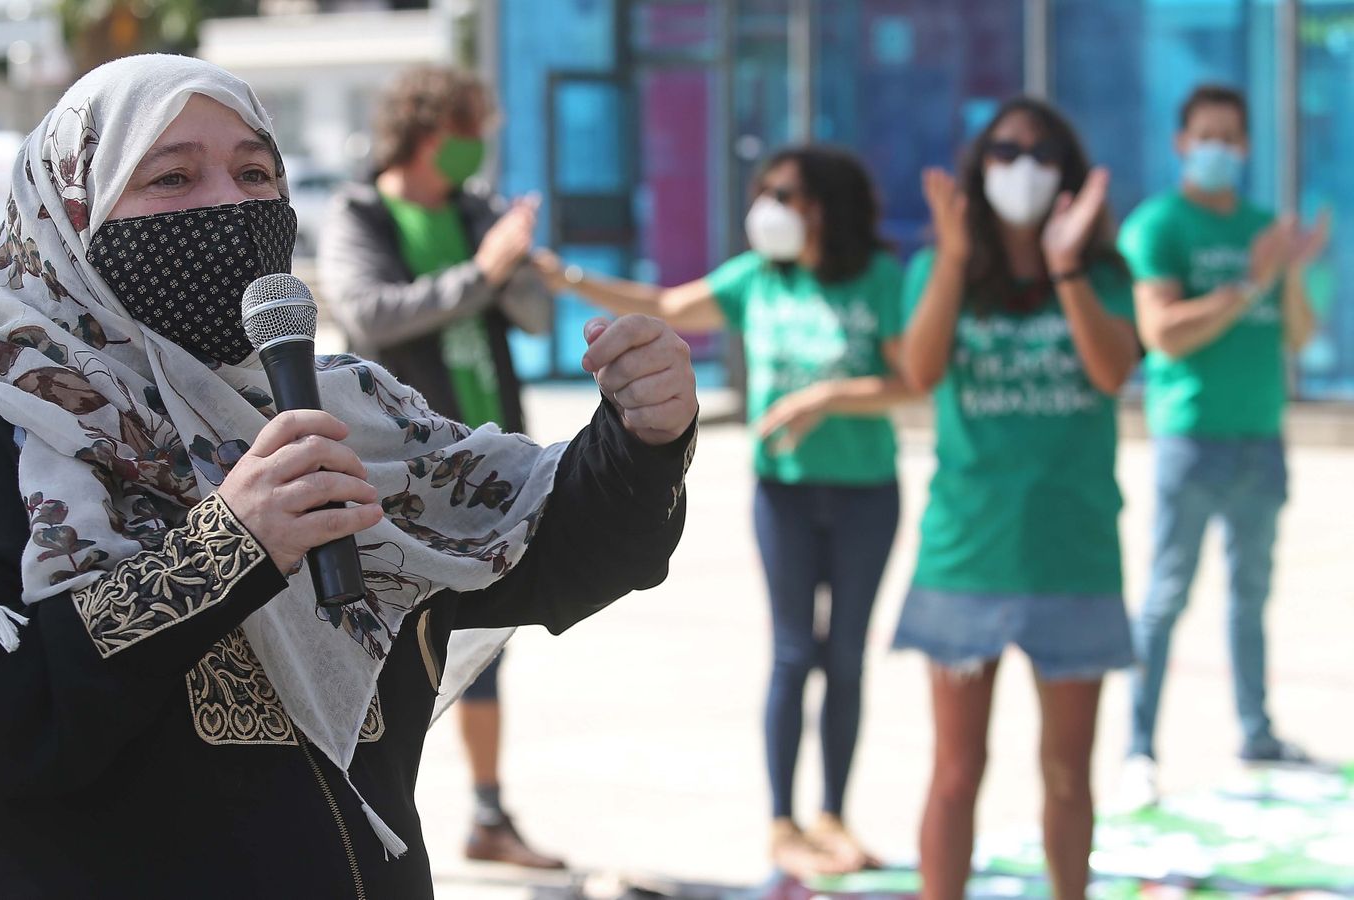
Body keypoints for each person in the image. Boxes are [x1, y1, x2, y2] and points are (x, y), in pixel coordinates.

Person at [0, 55, 698, 900]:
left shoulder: (341, 409)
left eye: (256, 173)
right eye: (171, 179)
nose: (229, 205)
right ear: (73, 211)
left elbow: (545, 554)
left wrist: (643, 437)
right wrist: (223, 550)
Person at [536, 145, 913, 876]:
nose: (769, 207)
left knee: (846, 658)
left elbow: (908, 381)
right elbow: (668, 307)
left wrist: (825, 397)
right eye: (764, 191)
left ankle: (834, 814)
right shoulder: (756, 279)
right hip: (785, 493)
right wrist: (570, 280)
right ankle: (783, 822)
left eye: (788, 194)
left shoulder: (878, 278)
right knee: (794, 652)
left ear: (826, 206)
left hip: (867, 491)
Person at [316, 64, 567, 870]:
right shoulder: (360, 211)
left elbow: (533, 314)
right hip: (398, 474)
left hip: (489, 465)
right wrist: (484, 273)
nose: (479, 147)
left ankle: (489, 813)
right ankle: (369, 823)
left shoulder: (477, 210)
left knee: (486, 639)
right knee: (391, 650)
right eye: (471, 130)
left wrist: (519, 263)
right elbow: (371, 312)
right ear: (432, 131)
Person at [893, 98, 1141, 900]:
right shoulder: (940, 268)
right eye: (1004, 150)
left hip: (1073, 548)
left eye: (1040, 152)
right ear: (979, 168)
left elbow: (1112, 373)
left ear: (1068, 175)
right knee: (956, 772)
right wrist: (958, 261)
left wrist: (1066, 266)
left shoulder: (1104, 274)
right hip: (968, 552)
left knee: (1069, 775)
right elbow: (920, 373)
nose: (1022, 167)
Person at [1117, 84, 1328, 808]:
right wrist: (1247, 281)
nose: (1220, 149)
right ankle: (1137, 747)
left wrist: (1290, 270)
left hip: (1261, 436)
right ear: (1181, 142)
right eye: (1206, 134)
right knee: (1166, 596)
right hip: (1191, 435)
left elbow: (1299, 335)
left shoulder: (1265, 227)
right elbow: (1163, 333)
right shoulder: (1158, 225)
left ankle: (1256, 731)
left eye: (1232, 138)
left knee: (1251, 597)